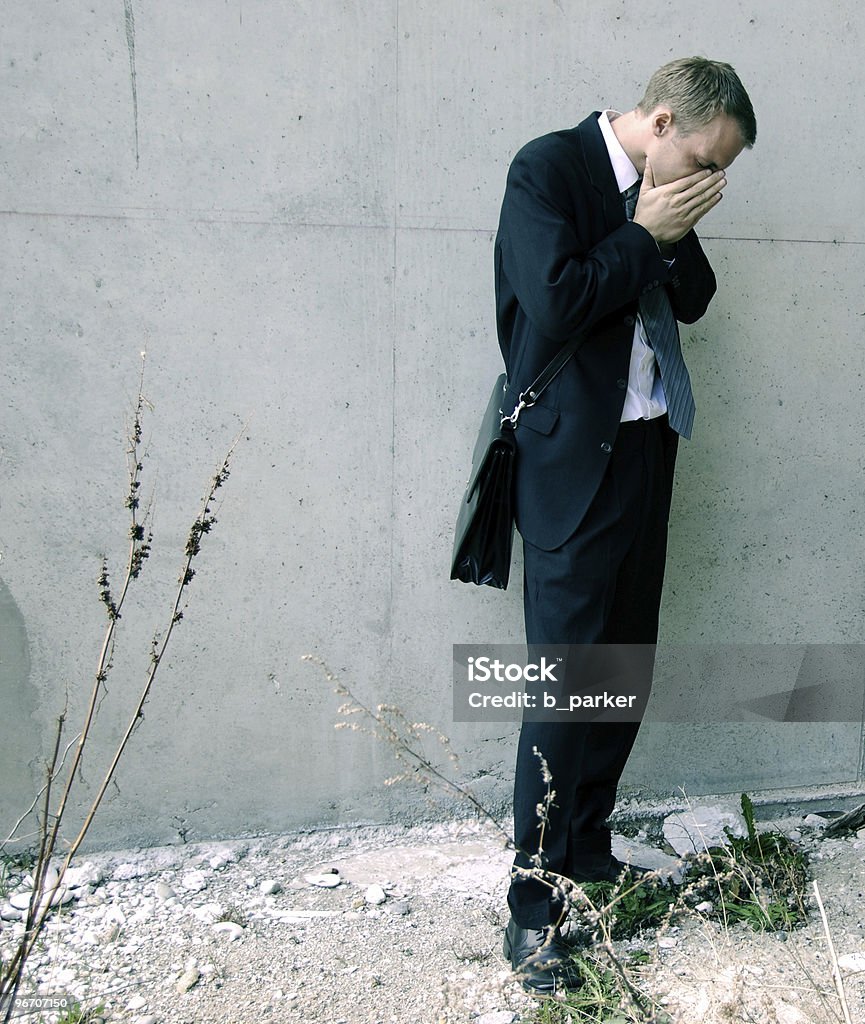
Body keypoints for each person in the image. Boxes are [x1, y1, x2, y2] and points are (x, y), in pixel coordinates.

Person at [494, 57, 756, 991]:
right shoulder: (548, 170)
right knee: (563, 686)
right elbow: (558, 298)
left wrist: (672, 237)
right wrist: (644, 231)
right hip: (570, 465)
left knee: (621, 668)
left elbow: (692, 299)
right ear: (655, 121)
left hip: (646, 451)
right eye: (702, 158)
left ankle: (585, 849)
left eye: (722, 169)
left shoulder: (666, 197)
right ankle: (531, 908)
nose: (708, 180)